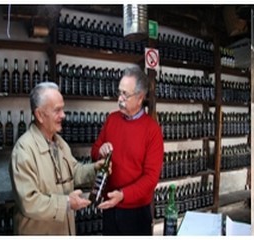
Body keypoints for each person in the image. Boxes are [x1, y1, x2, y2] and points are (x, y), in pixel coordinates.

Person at [10, 82, 104, 235]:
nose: (63, 115)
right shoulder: (24, 150)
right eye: (57, 110)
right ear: (40, 115)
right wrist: (67, 203)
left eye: (63, 109)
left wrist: (95, 168)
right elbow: (29, 202)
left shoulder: (60, 143)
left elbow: (74, 171)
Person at [91, 66, 164, 235]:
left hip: (136, 213)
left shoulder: (152, 130)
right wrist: (100, 151)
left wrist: (123, 195)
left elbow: (151, 178)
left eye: (126, 94)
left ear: (140, 98)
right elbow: (94, 152)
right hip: (109, 205)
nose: (120, 99)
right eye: (119, 92)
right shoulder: (112, 119)